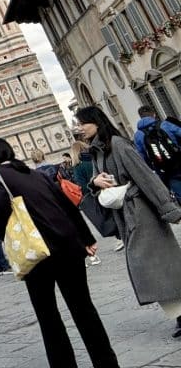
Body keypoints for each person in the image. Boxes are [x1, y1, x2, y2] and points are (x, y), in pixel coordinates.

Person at [0, 137, 119, 368]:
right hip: (68, 247)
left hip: (38, 254)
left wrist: (6, 235)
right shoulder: (35, 174)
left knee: (48, 316)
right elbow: (66, 204)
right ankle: (107, 363)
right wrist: (86, 238)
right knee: (84, 309)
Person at [77, 105, 181, 340]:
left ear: (95, 121)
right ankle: (179, 314)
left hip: (142, 215)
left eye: (83, 122)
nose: (79, 128)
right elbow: (95, 183)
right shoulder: (97, 150)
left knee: (160, 266)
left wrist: (170, 210)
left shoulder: (119, 145)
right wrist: (95, 183)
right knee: (156, 268)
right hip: (126, 216)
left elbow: (145, 177)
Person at [71, 139, 121, 253]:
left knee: (106, 217)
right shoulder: (95, 157)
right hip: (107, 188)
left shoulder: (78, 166)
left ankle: (119, 237)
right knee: (114, 212)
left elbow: (82, 185)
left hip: (94, 193)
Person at [133, 105, 181, 201]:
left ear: (141, 117)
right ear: (154, 114)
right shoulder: (165, 124)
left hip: (165, 171)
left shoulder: (138, 135)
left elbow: (143, 159)